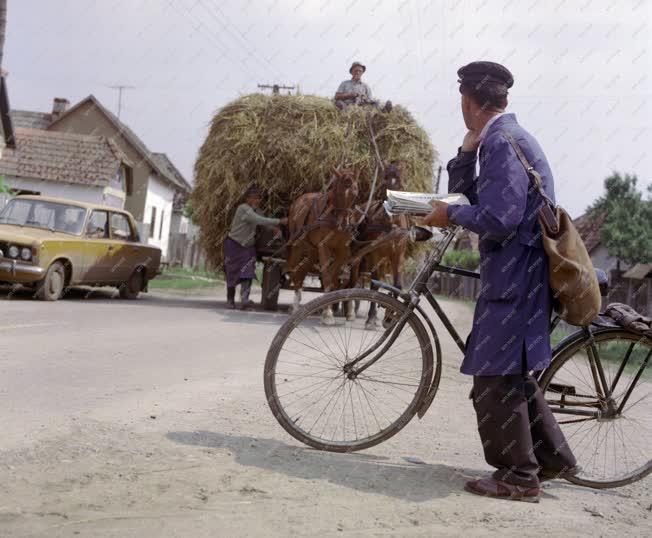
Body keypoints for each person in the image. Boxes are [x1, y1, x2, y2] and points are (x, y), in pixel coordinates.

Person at [420, 61, 578, 502]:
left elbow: (499, 218)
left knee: (493, 380)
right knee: (510, 378)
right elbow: (472, 196)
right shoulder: (497, 139)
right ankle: (550, 460)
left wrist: (449, 214)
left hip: (517, 281)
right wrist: (467, 152)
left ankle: (518, 477)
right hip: (514, 279)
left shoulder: (506, 144)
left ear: (467, 101)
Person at [224, 186, 287, 310]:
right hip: (234, 245)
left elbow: (263, 223)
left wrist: (274, 229)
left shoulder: (256, 210)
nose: (257, 200)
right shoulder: (243, 209)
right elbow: (258, 220)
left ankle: (244, 300)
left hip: (248, 247)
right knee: (232, 273)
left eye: (258, 198)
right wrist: (279, 221)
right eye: (254, 198)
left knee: (247, 273)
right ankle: (230, 301)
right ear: (247, 199)